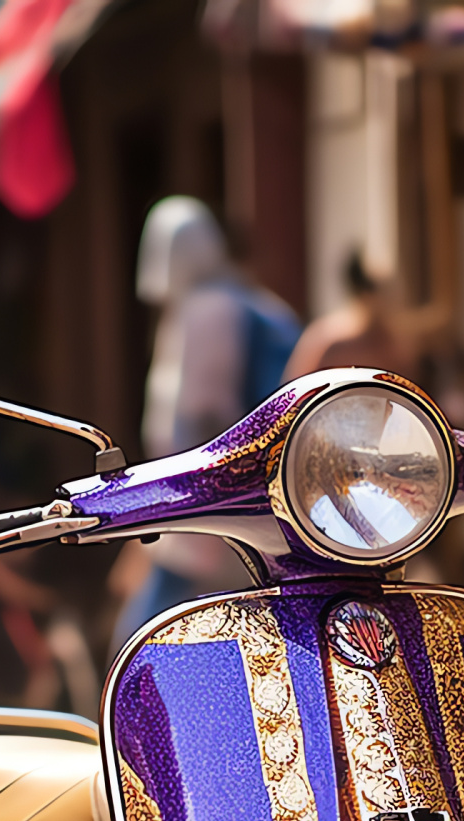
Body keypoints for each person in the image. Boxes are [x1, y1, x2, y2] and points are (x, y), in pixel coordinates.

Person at [112, 197, 301, 650]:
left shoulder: (208, 310)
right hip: (244, 495)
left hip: (207, 496)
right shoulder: (244, 301)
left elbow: (203, 412)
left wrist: (193, 501)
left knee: (145, 637)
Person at [285, 248, 438, 383]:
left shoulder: (399, 345)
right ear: (366, 294)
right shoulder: (330, 341)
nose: (394, 299)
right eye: (387, 291)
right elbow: (295, 396)